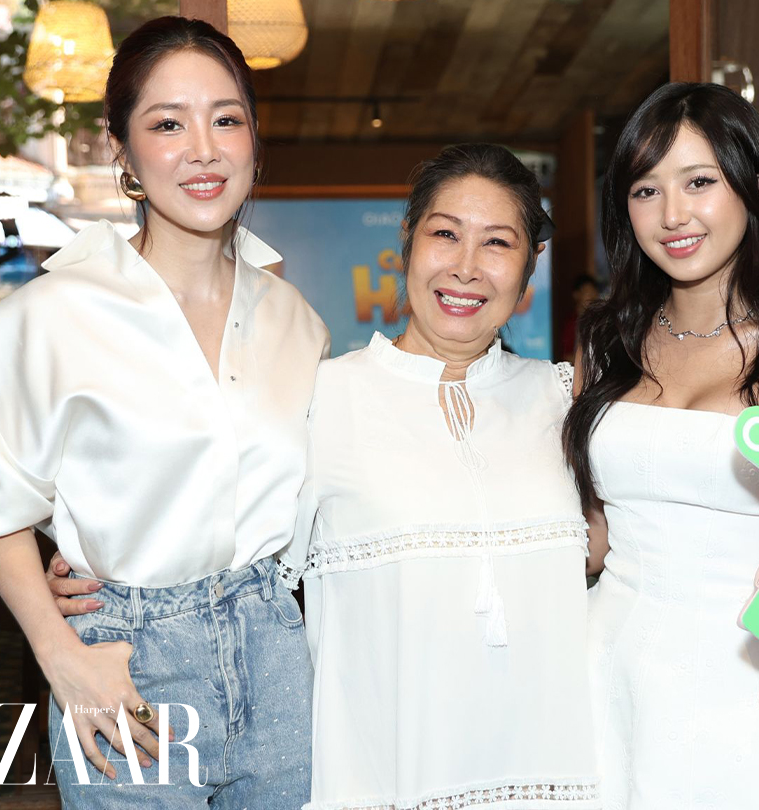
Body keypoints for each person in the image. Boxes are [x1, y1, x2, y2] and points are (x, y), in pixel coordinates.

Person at [0, 17, 328, 809]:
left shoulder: (294, 321)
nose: (203, 149)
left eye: (226, 119)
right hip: (127, 668)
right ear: (124, 152)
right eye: (168, 124)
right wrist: (56, 648)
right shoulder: (60, 311)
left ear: (253, 139)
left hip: (279, 662)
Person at [564, 82, 759, 809]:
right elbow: (591, 539)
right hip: (605, 673)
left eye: (700, 182)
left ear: (756, 186)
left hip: (751, 691)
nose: (673, 215)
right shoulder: (603, 344)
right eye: (646, 190)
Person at [277, 143, 599, 809]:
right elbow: (235, 567)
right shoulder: (324, 397)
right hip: (389, 778)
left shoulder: (562, 400)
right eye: (446, 234)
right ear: (407, 242)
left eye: (498, 243)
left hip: (555, 775)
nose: (466, 267)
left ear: (529, 267)